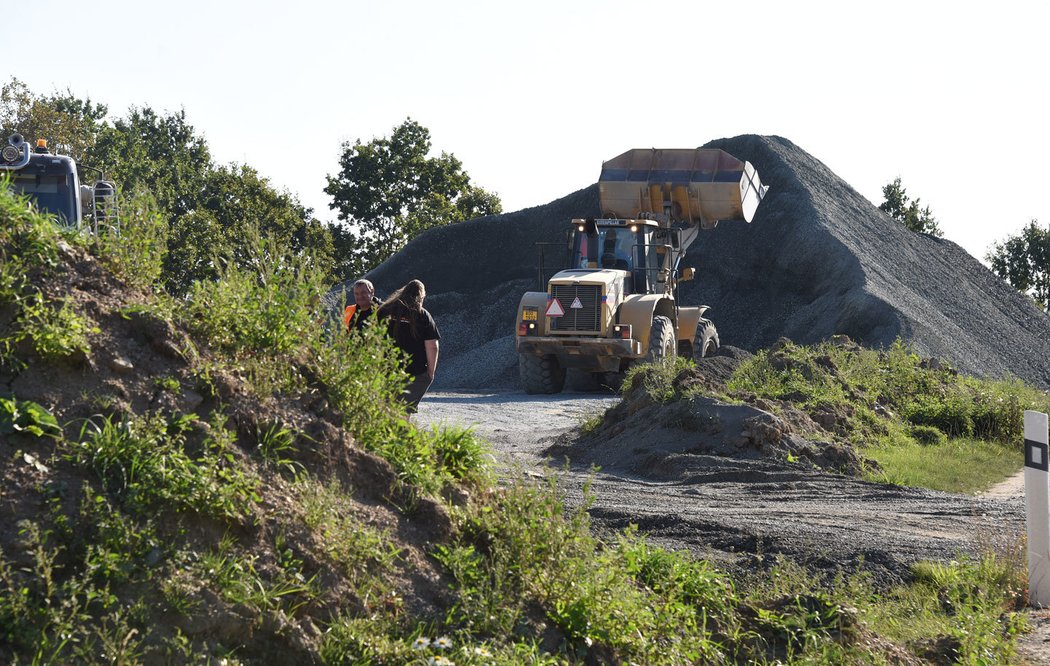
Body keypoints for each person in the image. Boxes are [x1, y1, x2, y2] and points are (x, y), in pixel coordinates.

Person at [376, 279, 440, 413]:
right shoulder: (423, 315)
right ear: (421, 296)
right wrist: (430, 373)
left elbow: (373, 338)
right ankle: (400, 433)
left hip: (385, 371)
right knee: (403, 413)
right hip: (414, 373)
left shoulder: (384, 310)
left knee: (385, 411)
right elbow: (432, 346)